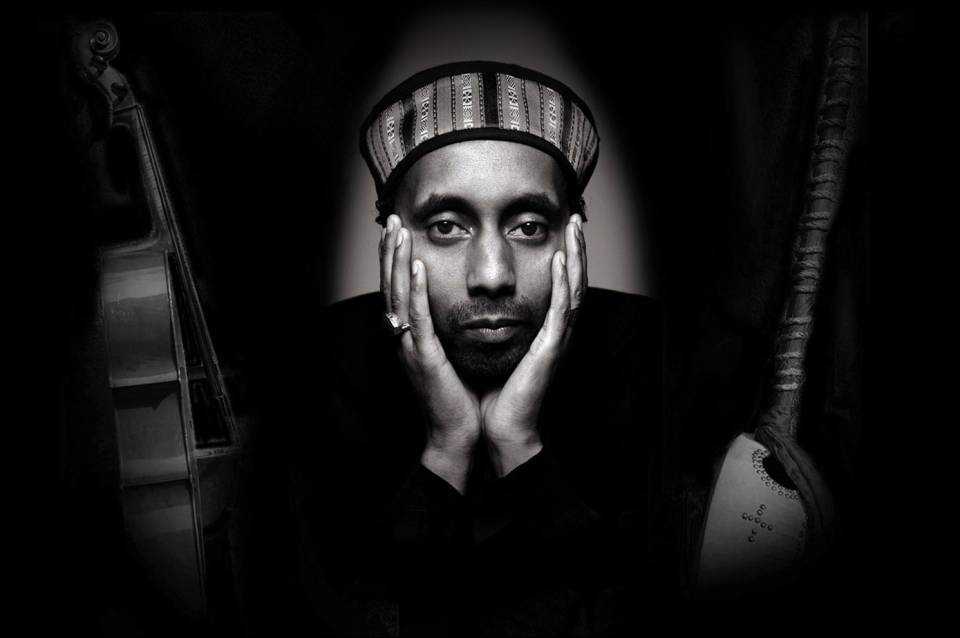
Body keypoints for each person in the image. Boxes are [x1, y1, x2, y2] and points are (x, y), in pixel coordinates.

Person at [290, 62, 663, 636]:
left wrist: (518, 445)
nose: (492, 275)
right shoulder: (319, 370)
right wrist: (447, 447)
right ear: (392, 243)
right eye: (446, 226)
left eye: (528, 226)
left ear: (573, 240)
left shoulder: (653, 357)